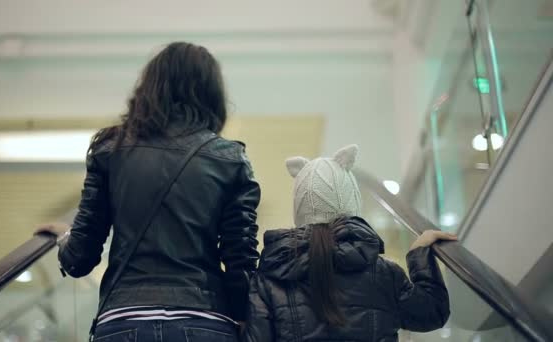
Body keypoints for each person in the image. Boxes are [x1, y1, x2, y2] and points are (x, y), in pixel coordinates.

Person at [36, 42, 260, 342]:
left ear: (151, 86)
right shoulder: (229, 158)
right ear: (212, 94)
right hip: (205, 320)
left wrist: (63, 238)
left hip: (123, 319)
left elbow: (80, 259)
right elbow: (240, 263)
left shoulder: (110, 150)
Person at [242, 145, 454, 342]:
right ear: (351, 204)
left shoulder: (270, 277)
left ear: (300, 208)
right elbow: (432, 313)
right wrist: (419, 254)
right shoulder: (384, 274)